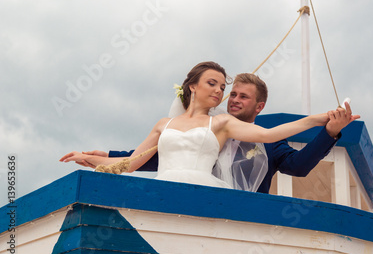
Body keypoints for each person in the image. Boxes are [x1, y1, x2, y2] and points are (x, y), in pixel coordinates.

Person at [60, 62, 357, 190]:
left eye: (225, 88)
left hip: (219, 199)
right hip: (166, 186)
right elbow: (142, 160)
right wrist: (96, 158)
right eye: (216, 86)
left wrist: (325, 121)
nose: (225, 94)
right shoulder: (166, 124)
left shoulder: (224, 125)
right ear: (192, 87)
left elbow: (274, 139)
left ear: (259, 106)